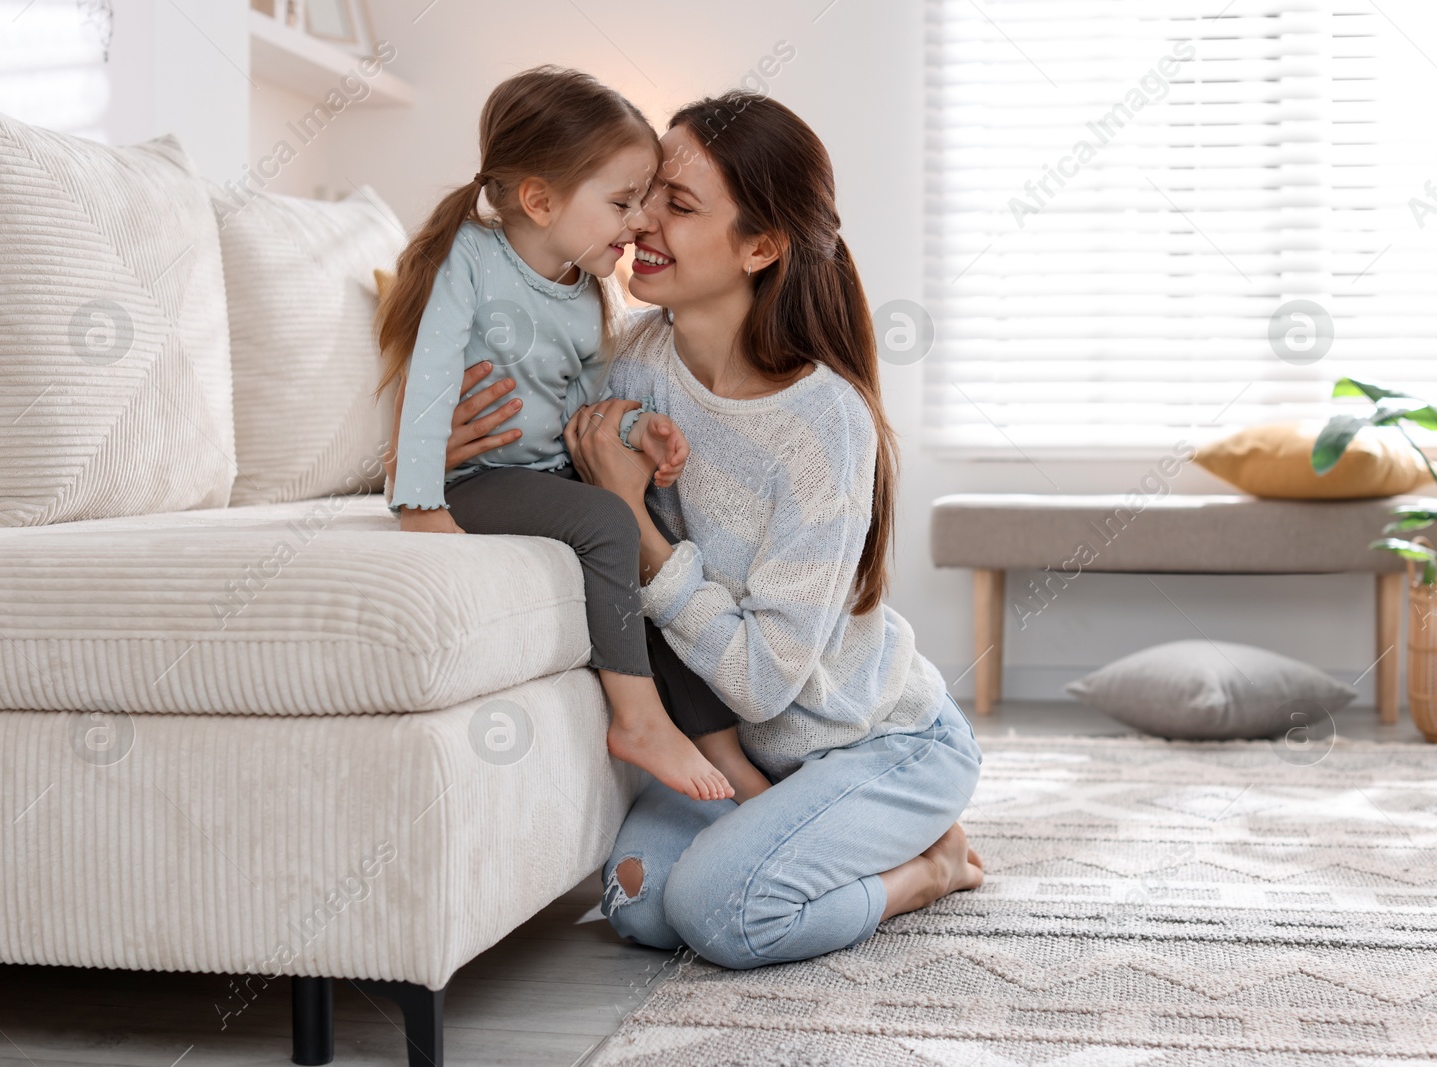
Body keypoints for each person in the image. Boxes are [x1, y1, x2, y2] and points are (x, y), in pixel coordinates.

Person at [559, 91, 989, 968]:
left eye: (678, 206)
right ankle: (803, 844)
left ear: (760, 246)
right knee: (638, 905)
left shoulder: (824, 424)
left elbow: (762, 682)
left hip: (875, 740)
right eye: (643, 195)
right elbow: (544, 460)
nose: (641, 221)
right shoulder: (635, 361)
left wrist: (638, 525)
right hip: (749, 758)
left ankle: (930, 868)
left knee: (719, 914)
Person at [375, 65, 733, 802]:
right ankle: (636, 720)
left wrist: (640, 427)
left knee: (648, 538)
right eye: (623, 202)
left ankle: (731, 756)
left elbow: (585, 410)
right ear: (540, 199)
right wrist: (419, 503)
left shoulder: (583, 292)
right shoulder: (471, 261)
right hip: (473, 483)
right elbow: (432, 376)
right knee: (608, 518)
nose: (639, 222)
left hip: (542, 475)